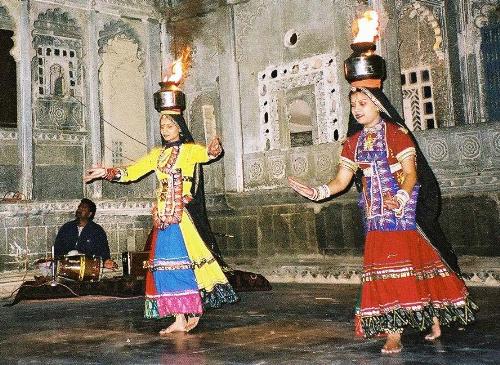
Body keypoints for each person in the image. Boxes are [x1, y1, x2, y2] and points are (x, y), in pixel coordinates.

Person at [288, 86, 478, 354]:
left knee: (415, 266)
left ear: (378, 105)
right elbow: (342, 181)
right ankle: (395, 332)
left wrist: (399, 199)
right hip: (375, 215)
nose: (357, 108)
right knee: (388, 271)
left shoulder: (397, 135)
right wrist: (317, 192)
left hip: (402, 213)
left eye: (363, 102)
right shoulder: (352, 142)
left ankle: (424, 322)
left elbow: (411, 175)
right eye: (354, 104)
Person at [84, 111, 239, 334]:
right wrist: (106, 172)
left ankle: (191, 309)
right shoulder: (157, 155)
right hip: (163, 218)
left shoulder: (189, 150)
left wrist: (215, 149)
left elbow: (209, 153)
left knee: (181, 265)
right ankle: (179, 317)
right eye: (162, 126)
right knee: (166, 266)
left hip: (181, 218)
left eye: (169, 125)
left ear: (180, 128)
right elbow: (132, 172)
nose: (164, 130)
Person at [54, 198, 116, 269]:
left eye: (84, 208)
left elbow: (104, 252)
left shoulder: (97, 230)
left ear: (89, 214)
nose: (80, 209)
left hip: (88, 270)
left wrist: (107, 261)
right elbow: (57, 250)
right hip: (67, 269)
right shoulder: (66, 228)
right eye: (79, 207)